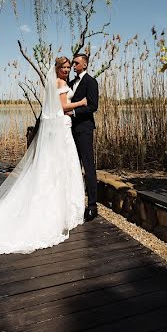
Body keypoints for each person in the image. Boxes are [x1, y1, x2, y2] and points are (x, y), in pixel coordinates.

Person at [0, 57, 87, 254]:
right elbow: (63, 108)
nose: (66, 70)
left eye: (67, 67)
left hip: (57, 128)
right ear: (56, 69)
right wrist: (81, 102)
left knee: (53, 167)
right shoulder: (61, 83)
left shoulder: (51, 84)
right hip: (62, 129)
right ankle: (61, 212)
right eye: (63, 68)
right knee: (63, 167)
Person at [68, 53, 99, 222]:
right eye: (73, 63)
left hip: (84, 129)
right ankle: (74, 202)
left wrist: (74, 112)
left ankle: (93, 206)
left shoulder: (91, 82)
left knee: (88, 166)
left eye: (76, 63)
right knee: (72, 166)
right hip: (69, 130)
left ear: (85, 65)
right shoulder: (71, 83)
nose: (73, 66)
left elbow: (93, 106)